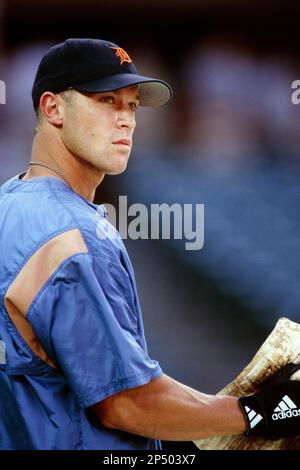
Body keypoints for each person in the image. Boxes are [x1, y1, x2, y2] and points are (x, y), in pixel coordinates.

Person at [0, 38, 299, 451]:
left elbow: (129, 384)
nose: (125, 120)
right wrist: (257, 412)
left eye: (132, 105)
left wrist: (233, 406)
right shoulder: (74, 234)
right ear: (52, 109)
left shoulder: (10, 203)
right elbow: (126, 403)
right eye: (106, 100)